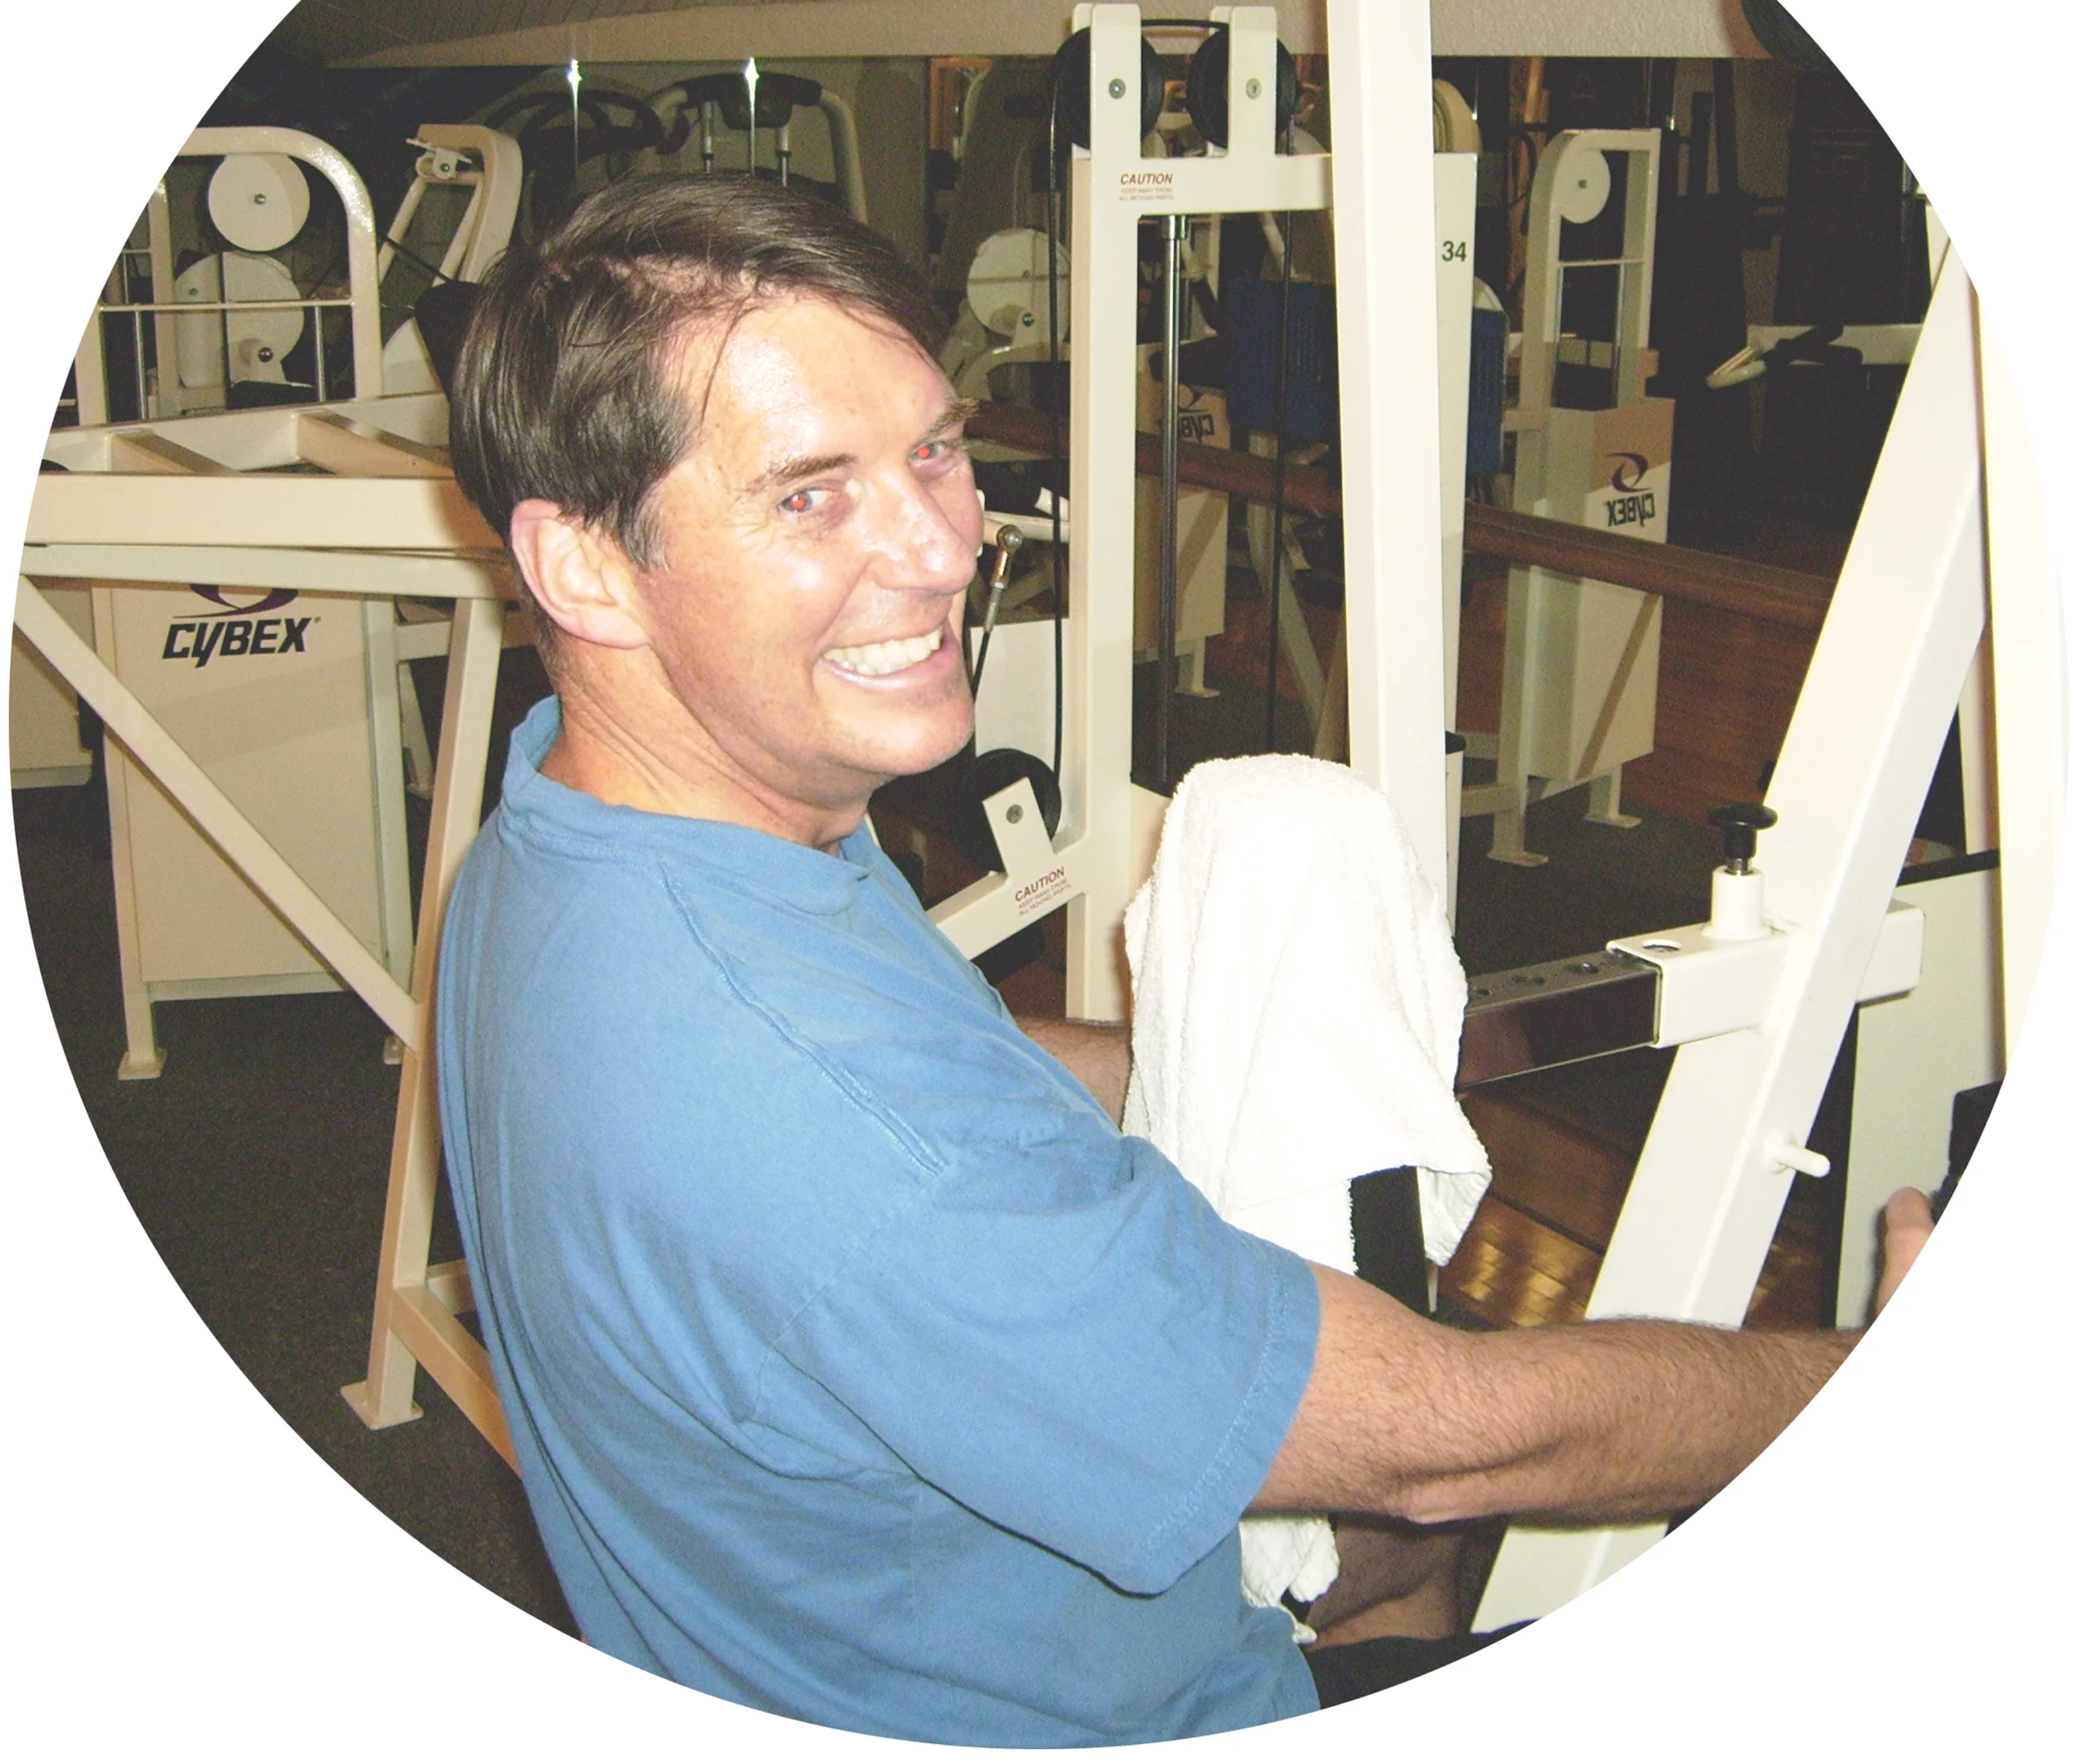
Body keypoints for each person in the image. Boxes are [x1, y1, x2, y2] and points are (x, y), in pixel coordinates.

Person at [437, 173, 1933, 1745]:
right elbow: (1447, 1441)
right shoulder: (826, 1123)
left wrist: (1243, 1064)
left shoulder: (586, 829)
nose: (946, 548)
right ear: (585, 567)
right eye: (812, 494)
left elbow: (959, 1070)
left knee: (1398, 1548)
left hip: (857, 1630)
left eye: (935, 452)